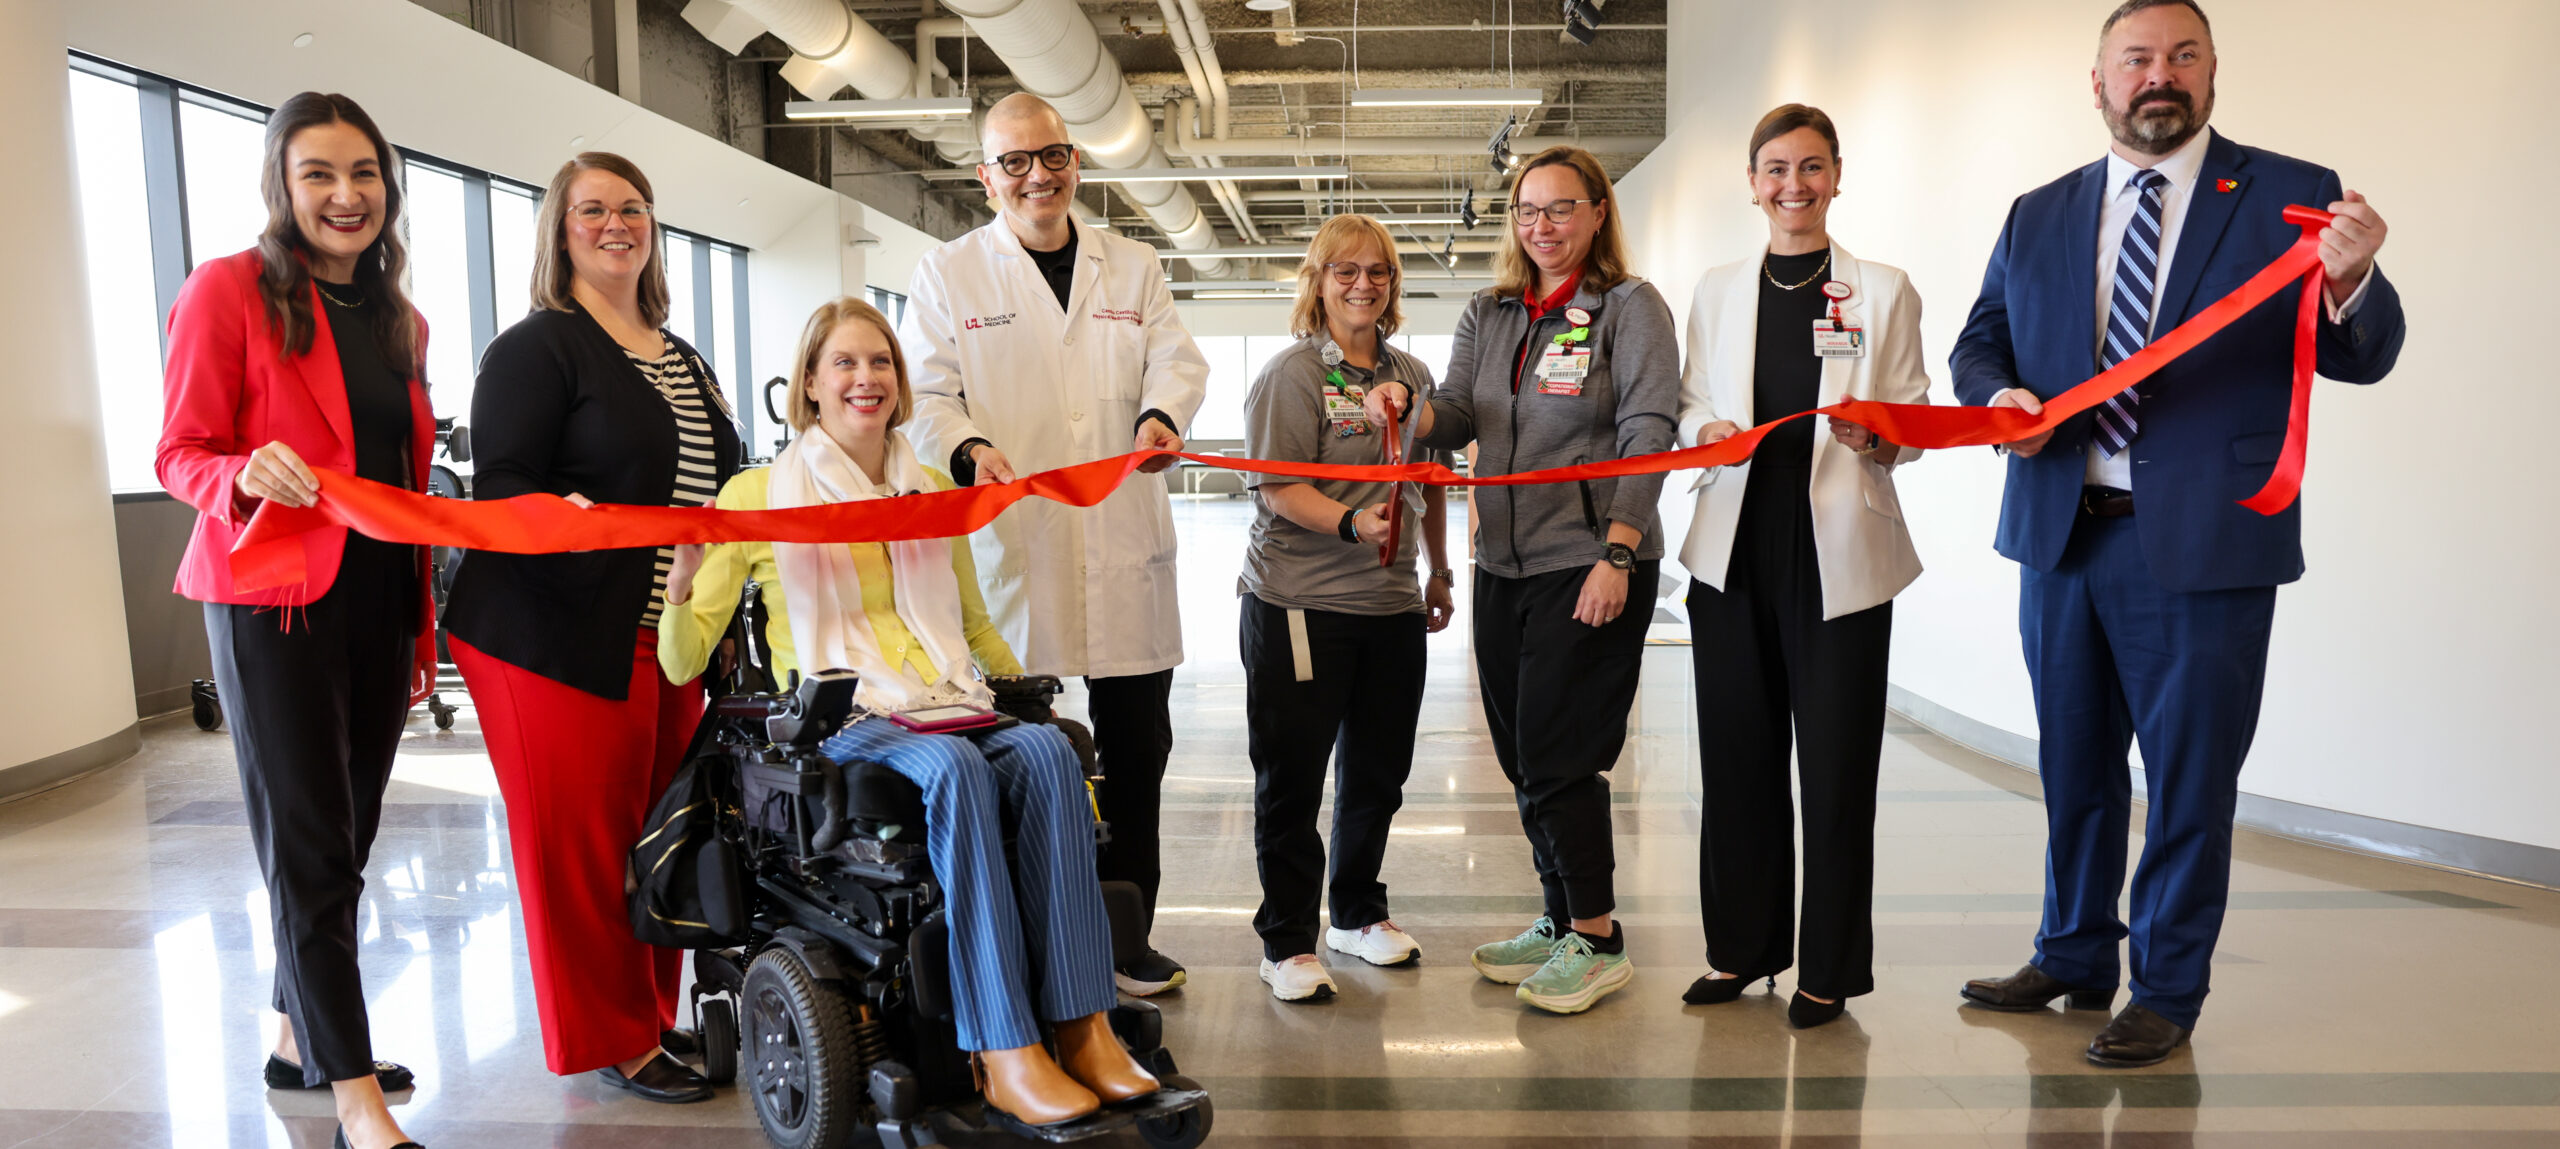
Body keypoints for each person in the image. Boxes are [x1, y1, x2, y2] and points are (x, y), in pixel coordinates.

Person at [1950, 0, 2403, 1067]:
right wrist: (2000, 392)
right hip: (2063, 535)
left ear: (2212, 75)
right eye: (2138, 58)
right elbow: (1981, 341)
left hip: (2206, 545)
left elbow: (2365, 354)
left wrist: (2351, 277)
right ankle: (2071, 951)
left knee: (2189, 778)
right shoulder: (2038, 212)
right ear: (2097, 82)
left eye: (2183, 57)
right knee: (2074, 766)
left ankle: (2165, 986)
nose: (2162, 75)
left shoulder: (2291, 196)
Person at [659, 297, 1159, 1126]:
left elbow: (967, 622)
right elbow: (682, 661)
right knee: (956, 768)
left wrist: (1027, 689)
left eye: (881, 362)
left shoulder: (926, 487)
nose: (867, 378)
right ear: (810, 385)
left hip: (943, 697)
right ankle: (1001, 1046)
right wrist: (680, 586)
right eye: (845, 364)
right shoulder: (756, 494)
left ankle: (1083, 1024)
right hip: (844, 714)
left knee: (1047, 754)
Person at [155, 92, 433, 1149]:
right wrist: (241, 472)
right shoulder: (228, 290)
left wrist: (417, 626)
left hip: (373, 597)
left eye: (363, 172)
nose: (344, 194)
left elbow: (401, 474)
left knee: (348, 840)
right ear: (281, 183)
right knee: (308, 843)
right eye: (318, 173)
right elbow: (178, 451)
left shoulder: (399, 318)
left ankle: (294, 1038)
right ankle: (353, 1092)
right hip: (266, 597)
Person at [443, 152, 744, 1100]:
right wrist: (569, 518)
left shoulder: (678, 352)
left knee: (659, 833)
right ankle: (610, 1035)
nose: (615, 223)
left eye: (632, 207)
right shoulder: (538, 347)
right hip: (550, 637)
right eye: (591, 210)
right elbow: (501, 486)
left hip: (662, 636)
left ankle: (651, 1014)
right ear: (559, 229)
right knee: (577, 847)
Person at [900, 93, 1209, 996]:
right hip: (1015, 549)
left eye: (1055, 156)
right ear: (986, 174)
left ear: (1075, 161)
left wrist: (1160, 417)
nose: (1039, 175)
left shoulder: (1133, 264)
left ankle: (1129, 933)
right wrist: (966, 450)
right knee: (1024, 757)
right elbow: (925, 394)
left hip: (1122, 545)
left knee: (1137, 756)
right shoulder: (950, 273)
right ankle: (1031, 938)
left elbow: (1176, 360)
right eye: (1016, 161)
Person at [1364, 145, 1680, 1015]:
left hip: (1589, 562)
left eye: (1561, 209)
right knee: (1518, 755)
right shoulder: (1491, 309)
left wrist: (1618, 550)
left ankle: (1600, 934)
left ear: (1598, 212)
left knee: (1560, 751)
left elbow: (1649, 428)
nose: (1542, 227)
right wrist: (1410, 407)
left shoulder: (1628, 307)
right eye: (1528, 212)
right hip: (1501, 562)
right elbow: (1460, 411)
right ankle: (1557, 914)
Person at [1676, 104, 1933, 1030]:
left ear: (1836, 176)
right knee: (1736, 762)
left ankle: (1828, 968)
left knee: (1834, 769)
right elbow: (1691, 402)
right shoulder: (1714, 288)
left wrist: (1883, 436)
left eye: (1812, 167)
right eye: (1776, 169)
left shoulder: (1884, 288)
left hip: (1840, 549)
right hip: (1733, 545)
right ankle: (1741, 951)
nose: (1794, 185)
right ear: (1752, 182)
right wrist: (1704, 431)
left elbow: (1910, 411)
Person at [1238, 214, 1456, 1003]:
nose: (1364, 284)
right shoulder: (1292, 375)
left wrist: (1437, 573)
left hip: (1391, 604)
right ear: (1319, 282)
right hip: (1299, 601)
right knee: (1291, 777)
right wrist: (1350, 521)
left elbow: (1425, 479)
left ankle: (1356, 912)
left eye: (1380, 272)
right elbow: (1274, 484)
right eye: (1346, 271)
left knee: (1377, 771)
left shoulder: (1411, 374)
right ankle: (1287, 939)